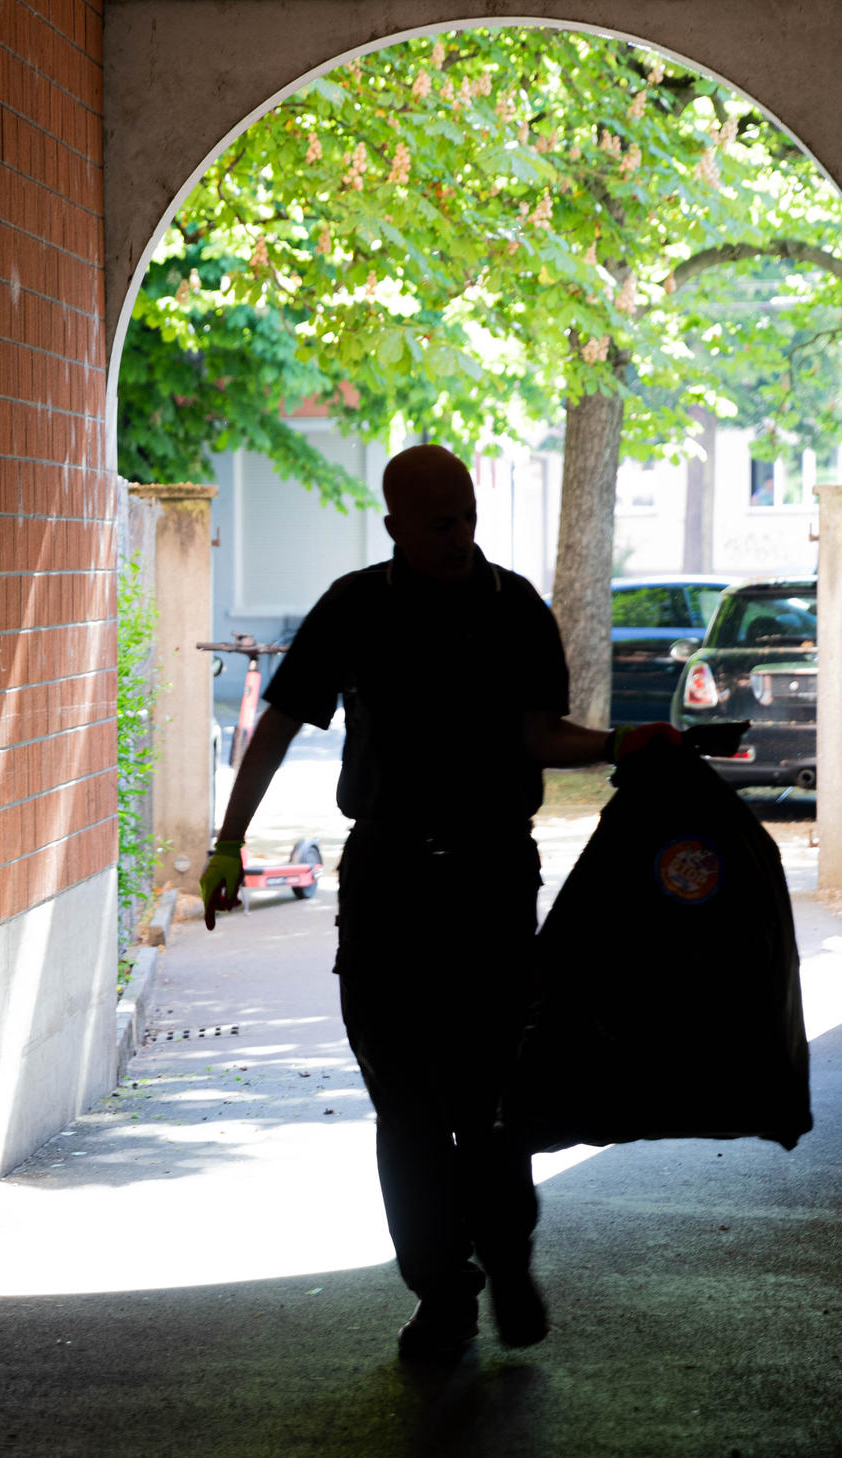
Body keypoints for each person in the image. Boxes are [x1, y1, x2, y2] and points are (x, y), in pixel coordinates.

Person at [199, 443, 679, 1363]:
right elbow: (280, 723)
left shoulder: (518, 612)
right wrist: (228, 843)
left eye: (465, 515)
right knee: (406, 1107)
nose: (459, 537)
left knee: (489, 1097)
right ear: (394, 528)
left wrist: (624, 742)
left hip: (492, 879)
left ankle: (506, 1251)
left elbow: (540, 735)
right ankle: (442, 1292)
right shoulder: (355, 608)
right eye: (437, 523)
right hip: (386, 881)